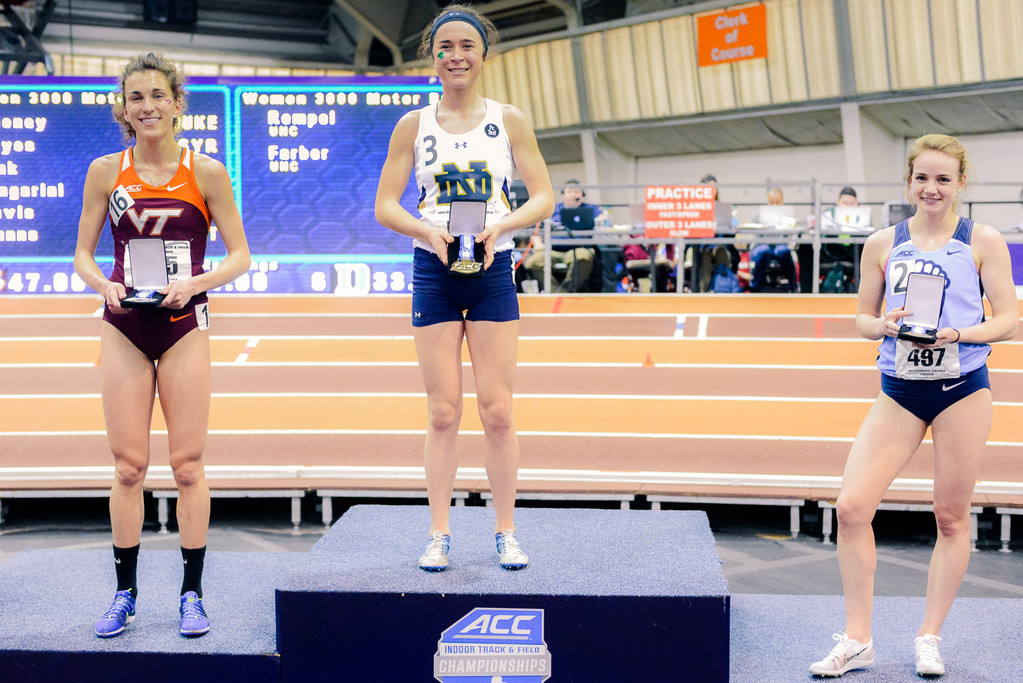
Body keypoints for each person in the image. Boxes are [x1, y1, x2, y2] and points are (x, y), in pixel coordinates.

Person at [809, 134, 1018, 677]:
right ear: (908, 182)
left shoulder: (982, 241)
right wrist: (879, 325)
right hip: (899, 390)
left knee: (950, 517)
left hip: (961, 389)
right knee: (851, 508)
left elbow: (1008, 320)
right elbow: (861, 317)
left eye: (943, 179)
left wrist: (960, 333)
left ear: (960, 183)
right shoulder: (882, 243)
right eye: (922, 178)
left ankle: (929, 636)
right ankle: (858, 640)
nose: (932, 188)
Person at [72, 53, 250, 638]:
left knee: (188, 466)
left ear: (176, 103)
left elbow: (240, 256)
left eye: (156, 95)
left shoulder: (207, 172)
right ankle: (124, 594)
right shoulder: (105, 171)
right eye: (135, 97)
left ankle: (191, 594)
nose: (146, 106)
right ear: (123, 108)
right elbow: (83, 256)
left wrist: (195, 283)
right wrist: (104, 286)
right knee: (128, 468)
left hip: (183, 324)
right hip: (124, 323)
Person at [374, 5, 554, 572]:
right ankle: (439, 533)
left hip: (493, 269)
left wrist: (503, 225)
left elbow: (543, 196)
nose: (456, 56)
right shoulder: (413, 125)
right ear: (432, 56)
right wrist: (427, 231)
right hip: (435, 271)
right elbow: (384, 205)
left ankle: (506, 531)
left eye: (467, 46)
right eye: (445, 47)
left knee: (497, 410)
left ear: (483, 54)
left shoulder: (508, 120)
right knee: (442, 410)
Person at [523, 179, 605, 291]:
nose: (573, 194)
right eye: (569, 191)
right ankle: (557, 292)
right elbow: (536, 229)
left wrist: (602, 219)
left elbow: (603, 221)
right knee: (532, 262)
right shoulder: (552, 209)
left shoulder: (592, 209)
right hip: (551, 250)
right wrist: (538, 244)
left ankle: (565, 292)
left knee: (583, 258)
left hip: (579, 249)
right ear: (563, 194)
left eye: (576, 192)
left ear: (582, 194)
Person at [750, 186, 797, 291]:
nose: (774, 205)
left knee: (783, 251)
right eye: (771, 202)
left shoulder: (788, 214)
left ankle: (793, 286)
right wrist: (759, 224)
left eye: (777, 202)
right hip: (762, 244)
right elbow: (754, 235)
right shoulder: (758, 214)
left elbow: (791, 236)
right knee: (763, 250)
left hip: (780, 245)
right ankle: (756, 287)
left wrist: (788, 225)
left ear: (782, 201)